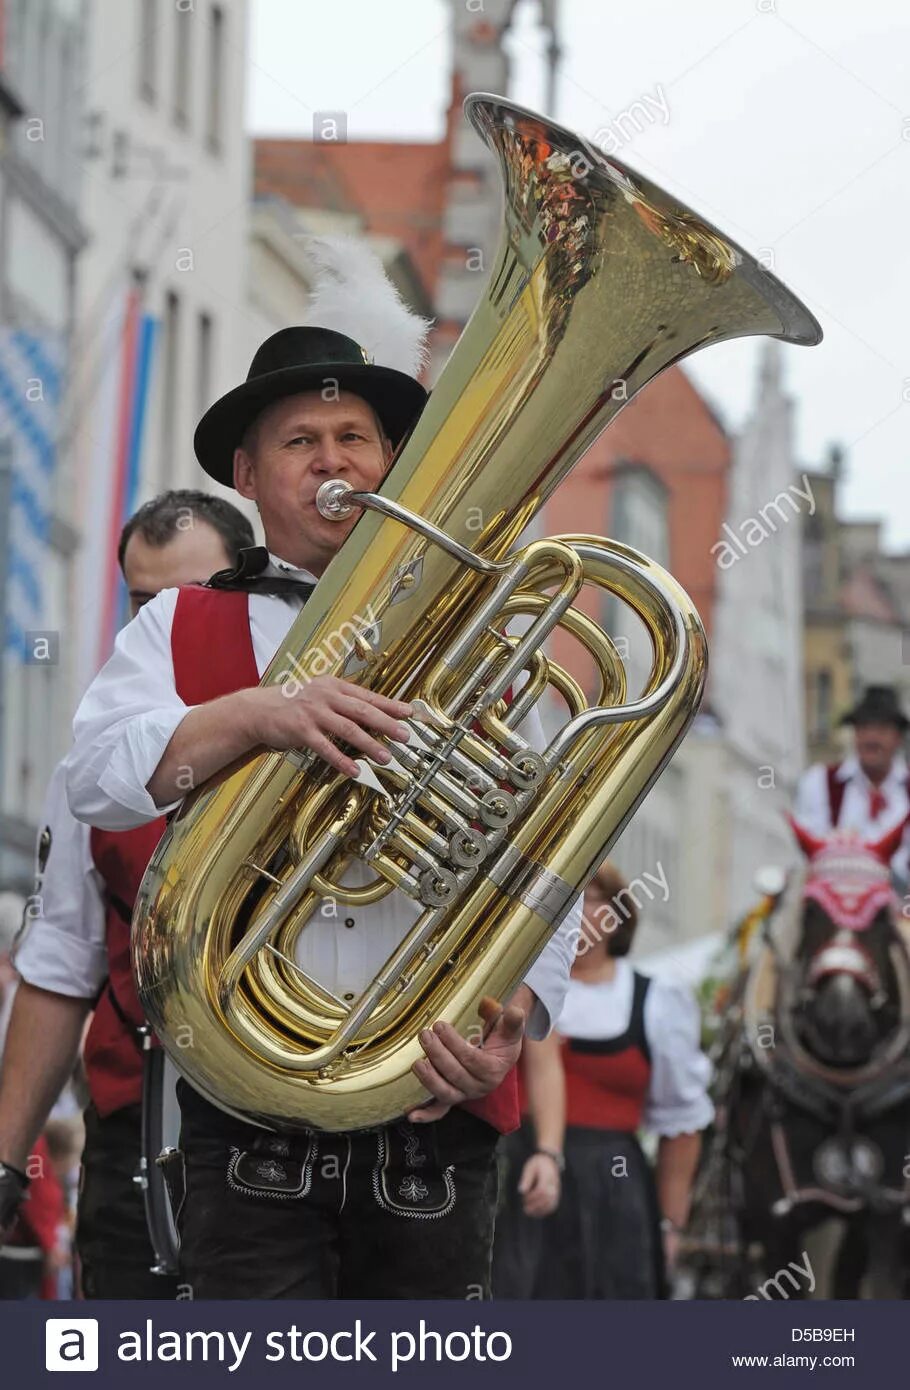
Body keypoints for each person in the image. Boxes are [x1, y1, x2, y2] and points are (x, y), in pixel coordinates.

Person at [63, 239, 581, 1300]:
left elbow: (550, 850)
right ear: (248, 477)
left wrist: (514, 1012)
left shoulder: (482, 634)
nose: (332, 459)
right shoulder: (179, 621)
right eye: (299, 439)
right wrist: (256, 715)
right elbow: (95, 779)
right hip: (244, 1098)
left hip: (427, 1101)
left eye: (355, 436)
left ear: (392, 465)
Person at [0, 490, 255, 1299]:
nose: (161, 621)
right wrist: (7, 1161)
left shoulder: (302, 718)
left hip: (286, 1141)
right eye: (142, 601)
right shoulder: (97, 755)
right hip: (132, 1136)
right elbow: (61, 965)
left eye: (190, 595)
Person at [495, 861, 713, 1299]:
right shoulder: (512, 990)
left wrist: (670, 1225)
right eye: (559, 901)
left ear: (617, 915)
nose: (571, 913)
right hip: (519, 1173)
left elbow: (681, 1126)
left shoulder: (656, 1000)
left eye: (587, 900)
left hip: (614, 1188)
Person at [794, 685, 910, 882]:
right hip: (835, 898)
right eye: (864, 728)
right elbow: (809, 853)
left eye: (881, 730)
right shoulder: (819, 782)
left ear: (898, 737)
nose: (871, 739)